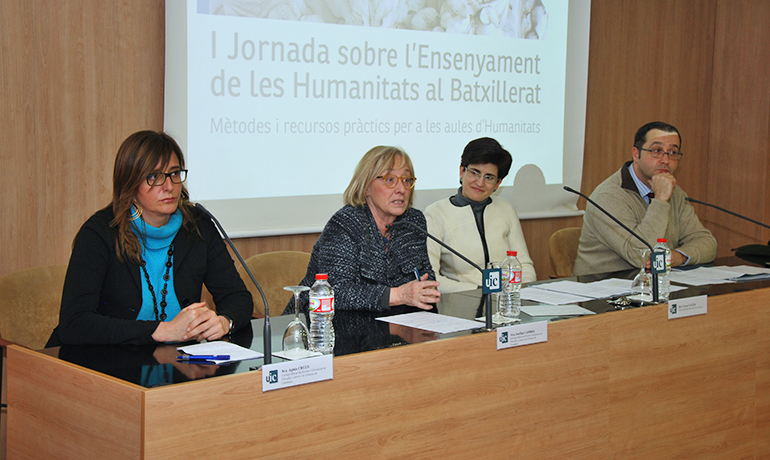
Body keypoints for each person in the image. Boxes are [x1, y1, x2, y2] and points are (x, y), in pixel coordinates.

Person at [47, 131, 253, 346]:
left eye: (174, 173)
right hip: (103, 363)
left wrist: (223, 321)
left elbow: (238, 297)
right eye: (154, 177)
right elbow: (75, 323)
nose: (169, 186)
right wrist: (162, 331)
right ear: (130, 184)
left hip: (175, 364)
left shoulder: (198, 227)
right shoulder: (99, 234)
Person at [285, 146, 440, 314]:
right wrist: (397, 295)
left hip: (387, 325)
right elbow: (335, 292)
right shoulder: (345, 224)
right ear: (366, 187)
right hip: (318, 327)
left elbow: (426, 279)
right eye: (390, 179)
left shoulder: (413, 221)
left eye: (406, 179)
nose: (401, 189)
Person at [573, 121, 717, 276]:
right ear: (636, 154)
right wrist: (661, 200)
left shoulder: (675, 193)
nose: (666, 160)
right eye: (656, 150)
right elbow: (640, 256)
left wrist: (678, 257)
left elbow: (707, 243)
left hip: (655, 286)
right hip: (605, 291)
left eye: (673, 152)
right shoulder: (608, 196)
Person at [424, 137, 536, 293]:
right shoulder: (435, 213)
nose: (480, 182)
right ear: (462, 171)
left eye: (489, 177)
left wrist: (519, 292)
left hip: (506, 300)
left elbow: (524, 265)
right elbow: (430, 278)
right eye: (474, 173)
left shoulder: (506, 209)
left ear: (498, 183)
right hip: (462, 301)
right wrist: (479, 291)